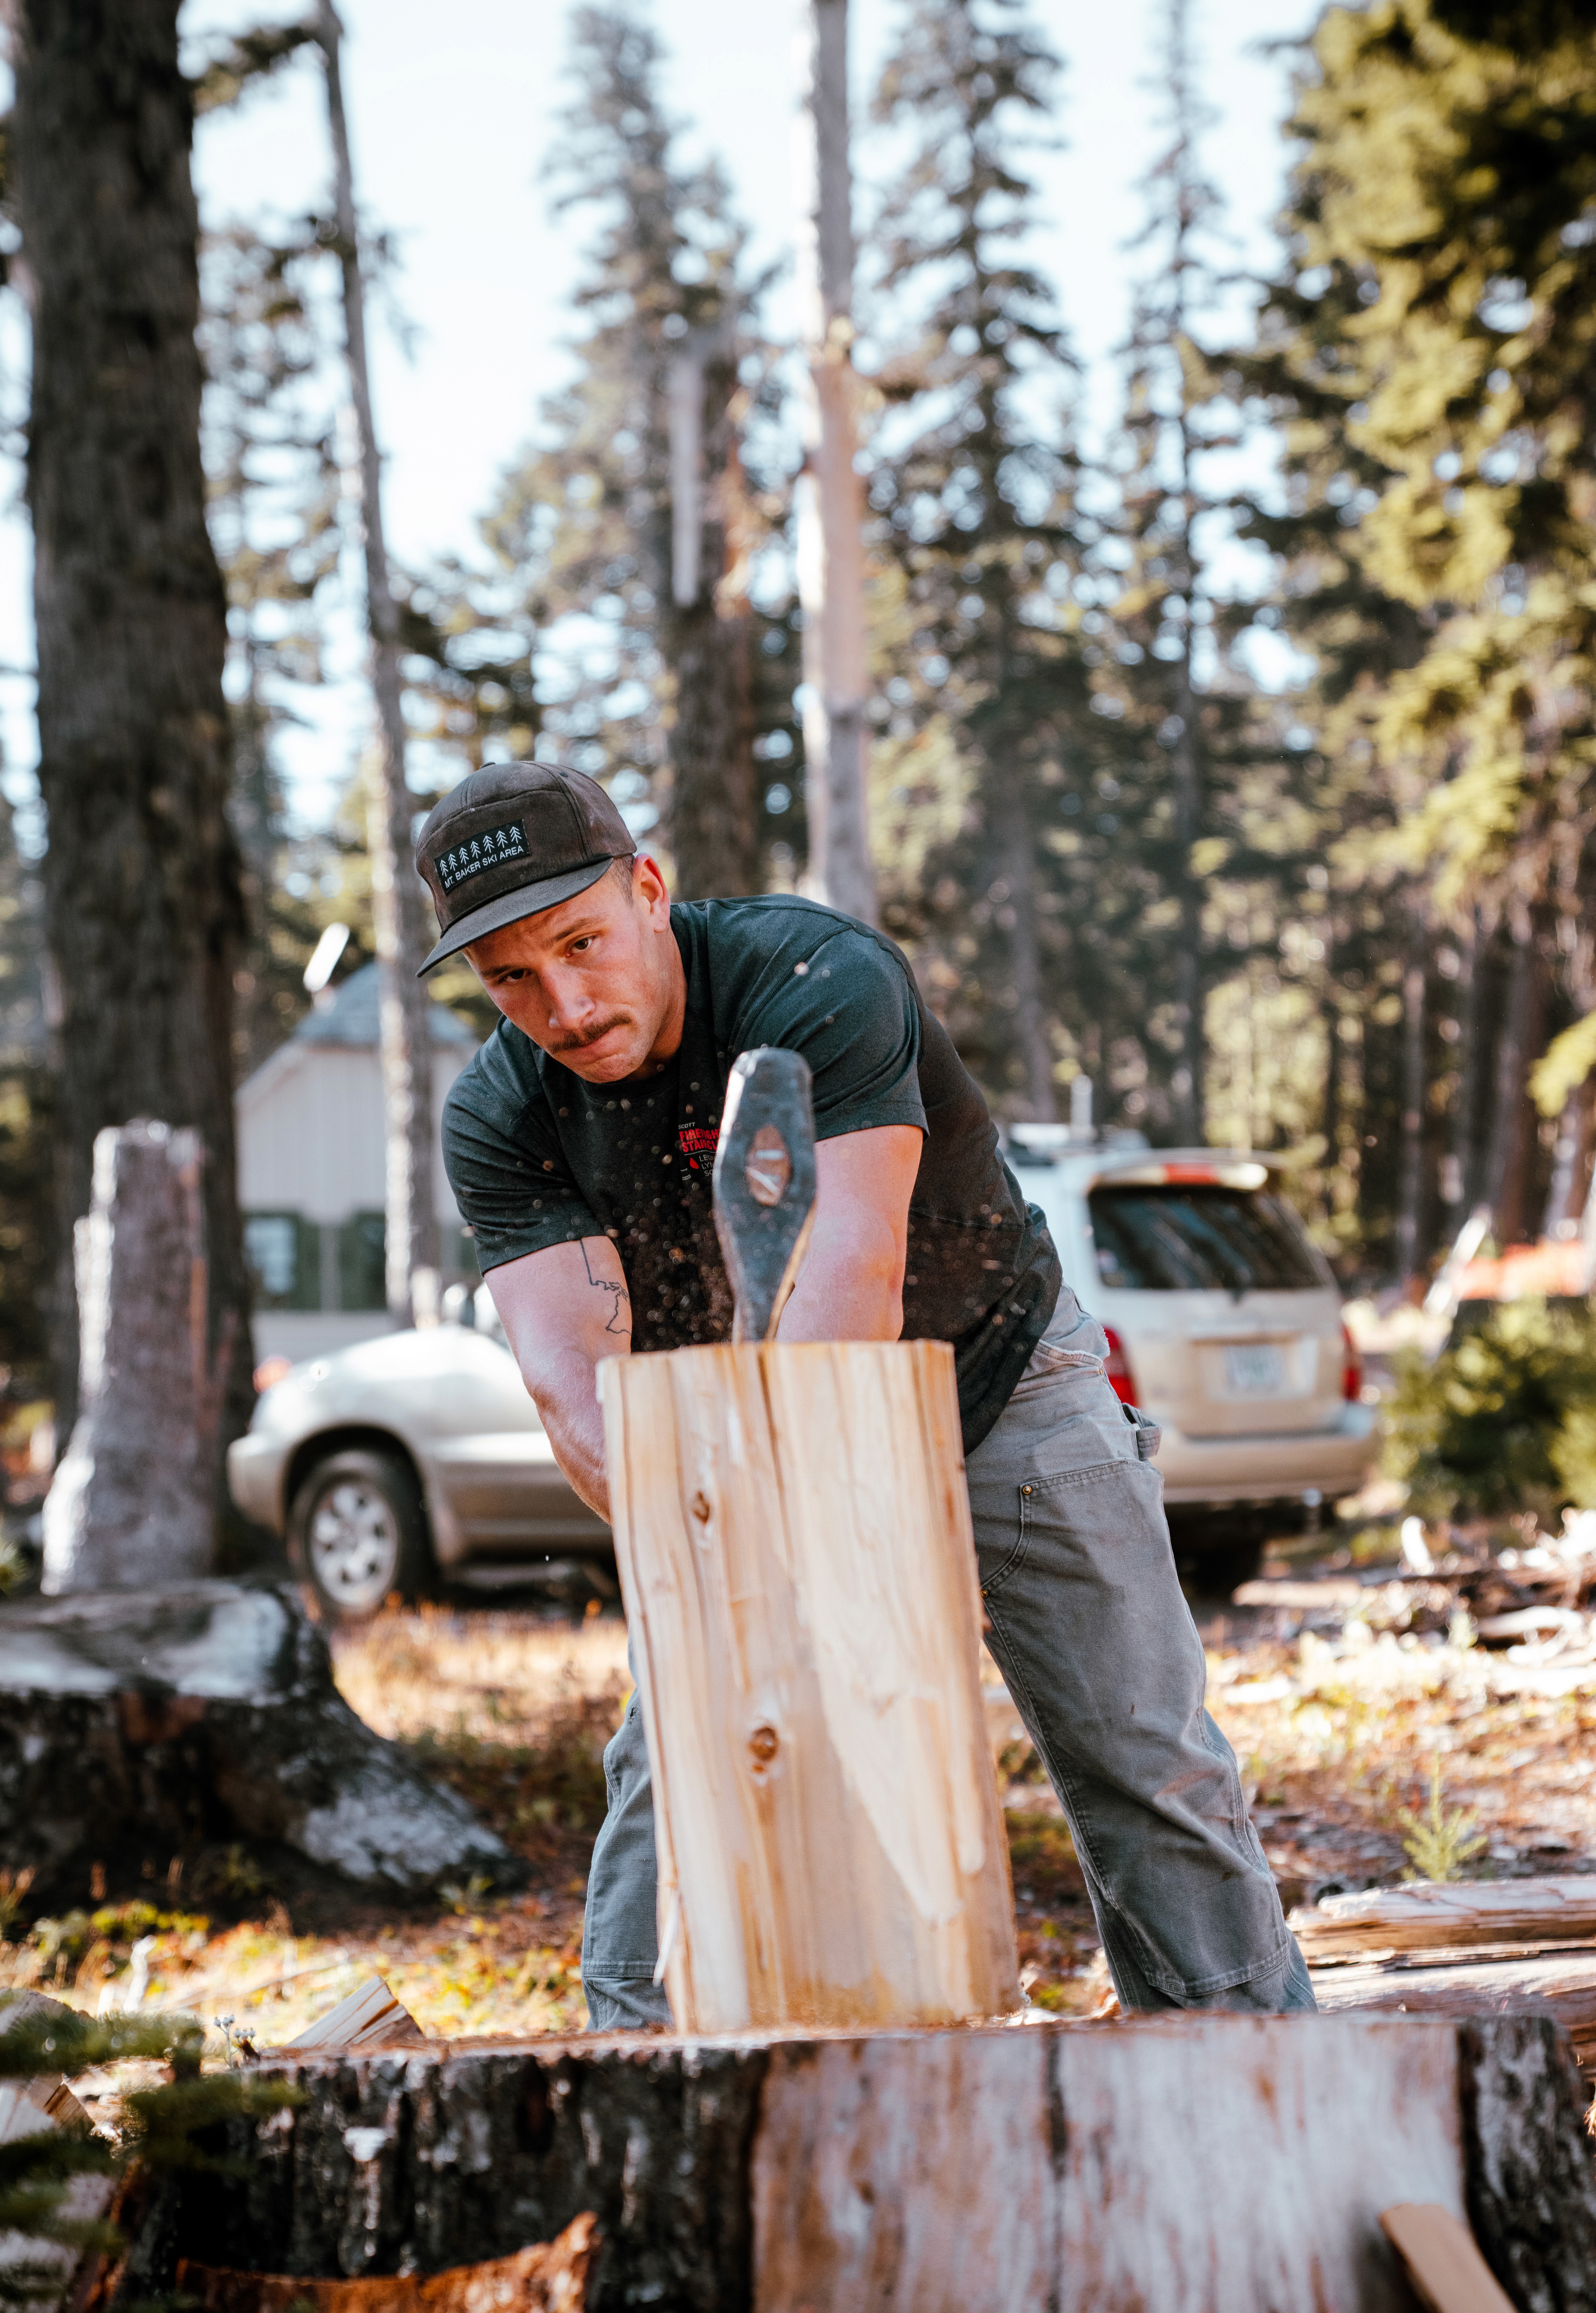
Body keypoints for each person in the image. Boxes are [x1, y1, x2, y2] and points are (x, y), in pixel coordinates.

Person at [419, 759, 1316, 2029]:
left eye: (581, 942)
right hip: (735, 1443)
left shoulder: (811, 979)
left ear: (650, 890)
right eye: (511, 975)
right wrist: (716, 1564)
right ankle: (643, 2090)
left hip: (996, 1374)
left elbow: (854, 1270)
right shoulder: (503, 1112)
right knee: (679, 1757)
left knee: (1143, 1751)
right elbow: (577, 1387)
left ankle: (1253, 2066)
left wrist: (803, 1542)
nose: (562, 1003)